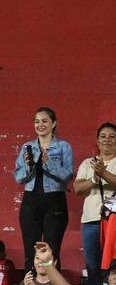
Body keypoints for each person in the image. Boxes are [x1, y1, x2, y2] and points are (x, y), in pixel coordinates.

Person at [73, 122, 116, 285]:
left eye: (112, 136)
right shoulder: (88, 163)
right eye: (103, 136)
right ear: (97, 140)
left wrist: (104, 173)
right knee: (93, 265)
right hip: (91, 221)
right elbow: (78, 188)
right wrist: (94, 179)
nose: (107, 140)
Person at [13, 107, 75, 271]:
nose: (40, 125)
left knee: (51, 251)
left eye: (45, 121)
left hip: (55, 203)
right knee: (30, 252)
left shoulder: (63, 147)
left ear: (53, 123)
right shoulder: (27, 147)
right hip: (30, 203)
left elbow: (68, 176)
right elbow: (18, 177)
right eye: (37, 121)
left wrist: (48, 163)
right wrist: (28, 165)